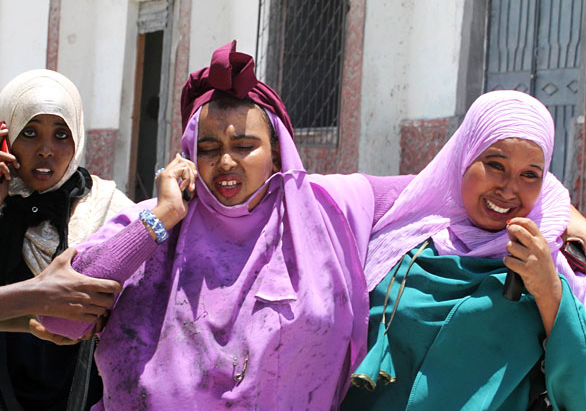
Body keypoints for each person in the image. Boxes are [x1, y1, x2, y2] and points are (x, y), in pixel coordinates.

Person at [39, 41, 423, 410]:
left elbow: (439, 188)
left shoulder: (327, 211)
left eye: (244, 147)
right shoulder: (151, 224)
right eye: (208, 149)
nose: (225, 162)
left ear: (277, 153)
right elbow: (57, 316)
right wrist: (162, 218)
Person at [342, 90, 586, 410]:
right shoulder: (402, 238)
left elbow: (578, 393)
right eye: (495, 165)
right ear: (464, 156)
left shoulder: (551, 266)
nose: (508, 189)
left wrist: (550, 292)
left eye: (529, 174)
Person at [0, 69, 133, 411]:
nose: (46, 150)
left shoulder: (108, 208)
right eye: (29, 133)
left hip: (81, 394)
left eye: (61, 134)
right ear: (3, 139)